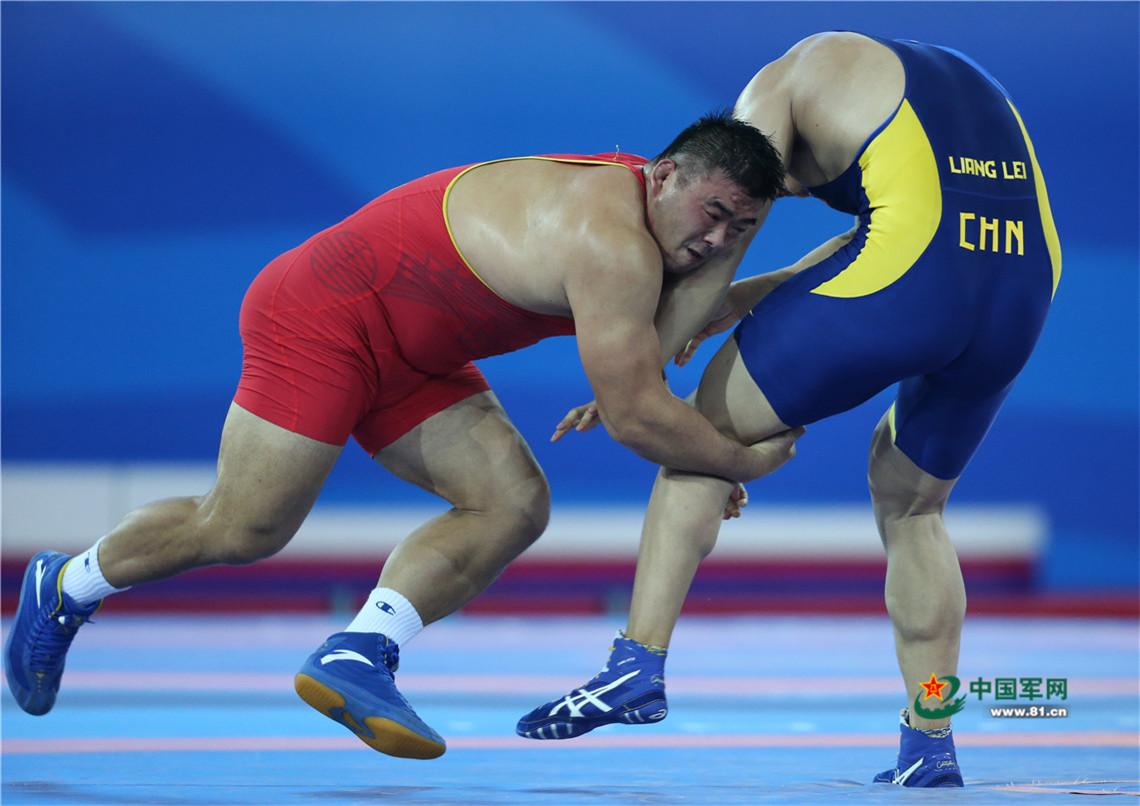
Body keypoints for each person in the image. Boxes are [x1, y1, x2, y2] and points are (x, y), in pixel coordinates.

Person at [4, 113, 796, 759]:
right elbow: (636, 417)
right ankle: (68, 584)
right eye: (713, 216)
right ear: (663, 175)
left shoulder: (662, 216)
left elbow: (672, 345)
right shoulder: (610, 242)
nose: (720, 243)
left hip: (419, 353)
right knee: (245, 529)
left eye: (743, 227)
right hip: (323, 314)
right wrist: (739, 461)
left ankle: (360, 653)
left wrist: (714, 378)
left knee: (512, 505)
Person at [518, 32, 1060, 788]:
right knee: (914, 510)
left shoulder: (773, 90)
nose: (785, 197)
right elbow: (901, 228)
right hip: (1025, 285)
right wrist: (754, 298)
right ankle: (930, 746)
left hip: (916, 271)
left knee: (700, 438)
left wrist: (640, 379)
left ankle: (635, 666)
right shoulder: (937, 80)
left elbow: (724, 249)